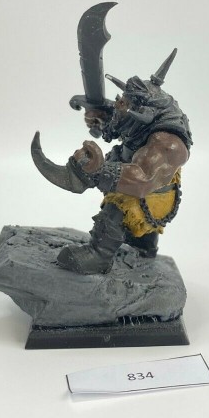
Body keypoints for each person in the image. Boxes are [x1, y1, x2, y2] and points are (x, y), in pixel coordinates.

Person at [56, 59, 192, 274]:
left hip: (151, 196)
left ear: (143, 110)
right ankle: (143, 247)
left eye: (123, 103)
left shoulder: (167, 144)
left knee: (117, 207)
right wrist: (101, 116)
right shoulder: (145, 122)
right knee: (129, 211)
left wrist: (98, 170)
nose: (118, 105)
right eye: (121, 100)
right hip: (147, 187)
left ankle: (98, 256)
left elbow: (142, 179)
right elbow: (122, 121)